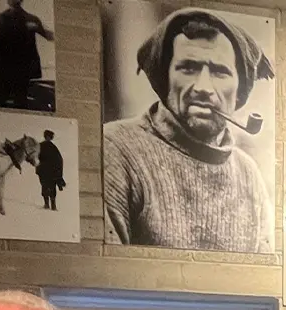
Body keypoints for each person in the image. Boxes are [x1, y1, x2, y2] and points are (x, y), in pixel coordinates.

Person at [103, 8, 274, 252]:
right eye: (188, 68)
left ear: (239, 91)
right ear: (165, 78)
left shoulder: (248, 174)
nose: (203, 87)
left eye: (220, 72)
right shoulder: (117, 150)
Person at [0, 0, 54, 109]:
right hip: (12, 66)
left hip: (17, 67)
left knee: (12, 99)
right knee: (10, 99)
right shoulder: (25, 18)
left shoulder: (28, 19)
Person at [35, 129, 65, 211]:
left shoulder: (40, 146)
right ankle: (51, 205)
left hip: (44, 170)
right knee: (50, 187)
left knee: (45, 186)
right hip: (50, 171)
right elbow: (59, 160)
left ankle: (48, 205)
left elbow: (36, 157)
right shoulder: (53, 147)